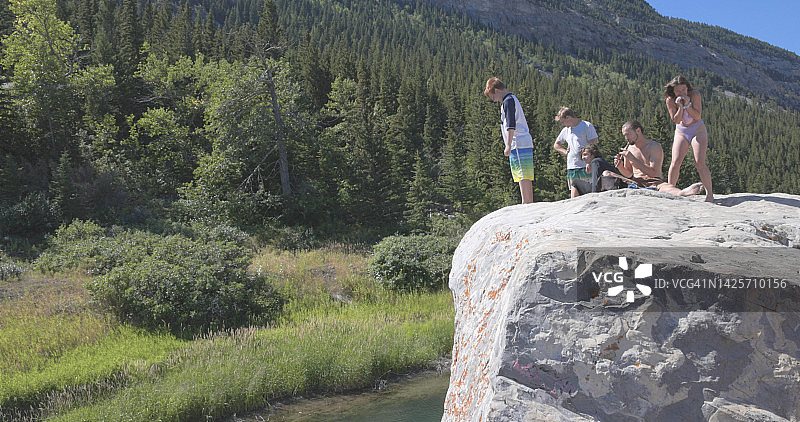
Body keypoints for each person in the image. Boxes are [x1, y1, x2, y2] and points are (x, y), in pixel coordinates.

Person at [613, 120, 703, 197]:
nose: (626, 138)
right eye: (624, 135)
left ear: (638, 131)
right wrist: (620, 166)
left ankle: (681, 193)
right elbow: (628, 173)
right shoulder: (629, 149)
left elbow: (654, 173)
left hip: (654, 182)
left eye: (628, 134)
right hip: (636, 182)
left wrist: (633, 159)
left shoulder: (654, 147)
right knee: (607, 173)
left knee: (666, 187)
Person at [484, 77, 534, 204]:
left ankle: (526, 202)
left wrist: (508, 145)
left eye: (492, 96)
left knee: (521, 173)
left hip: (517, 142)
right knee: (526, 173)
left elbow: (511, 125)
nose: (494, 100)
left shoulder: (507, 101)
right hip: (524, 141)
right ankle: (528, 201)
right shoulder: (512, 99)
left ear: (497, 90)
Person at [664, 76, 714, 202]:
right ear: (673, 91)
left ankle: (710, 194)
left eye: (683, 90)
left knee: (699, 162)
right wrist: (680, 107)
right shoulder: (670, 100)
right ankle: (671, 192)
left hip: (697, 129)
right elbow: (676, 120)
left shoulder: (695, 95)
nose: (681, 93)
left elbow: (697, 116)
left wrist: (687, 105)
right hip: (681, 131)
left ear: (687, 88)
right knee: (675, 162)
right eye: (678, 91)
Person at [553, 107, 598, 198]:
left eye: (563, 121)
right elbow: (556, 145)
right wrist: (565, 152)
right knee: (574, 194)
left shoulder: (586, 126)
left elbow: (593, 145)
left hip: (584, 166)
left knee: (589, 193)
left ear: (568, 117)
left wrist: (590, 162)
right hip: (572, 166)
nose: (562, 124)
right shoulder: (566, 130)